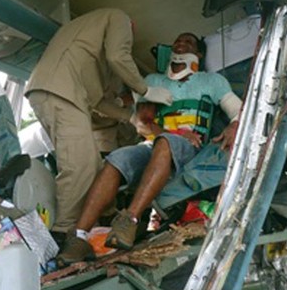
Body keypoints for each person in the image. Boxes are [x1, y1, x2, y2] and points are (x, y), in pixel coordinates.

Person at [56, 32, 243, 266]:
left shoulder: (212, 81)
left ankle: (129, 221)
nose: (181, 44)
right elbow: (144, 122)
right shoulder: (153, 80)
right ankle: (78, 237)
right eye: (177, 41)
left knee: (166, 143)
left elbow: (238, 110)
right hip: (156, 142)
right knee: (116, 159)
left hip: (192, 149)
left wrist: (234, 125)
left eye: (188, 43)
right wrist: (169, 131)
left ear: (198, 54)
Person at [25, 8, 172, 243]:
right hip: (61, 92)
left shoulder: (86, 48)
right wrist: (146, 90)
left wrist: (130, 117)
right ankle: (64, 236)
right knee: (79, 166)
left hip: (52, 91)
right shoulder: (119, 18)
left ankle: (105, 218)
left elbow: (97, 102)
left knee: (92, 165)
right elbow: (118, 56)